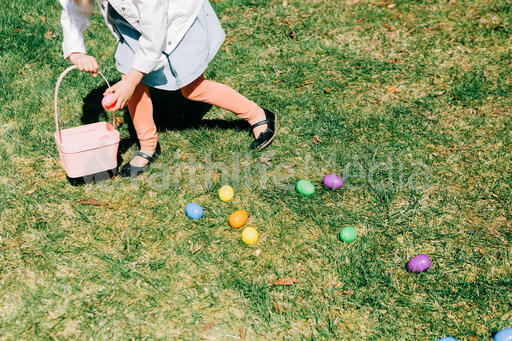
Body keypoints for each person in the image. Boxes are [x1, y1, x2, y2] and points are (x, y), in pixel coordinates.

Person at [59, 0, 277, 177]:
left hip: (176, 22)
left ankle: (257, 114)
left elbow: (155, 36)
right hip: (131, 23)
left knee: (192, 88)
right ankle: (147, 146)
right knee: (132, 81)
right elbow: (75, 6)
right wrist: (76, 51)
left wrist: (131, 81)